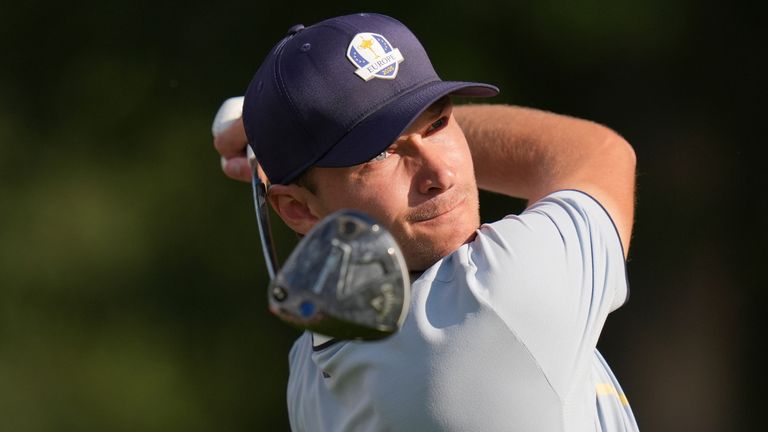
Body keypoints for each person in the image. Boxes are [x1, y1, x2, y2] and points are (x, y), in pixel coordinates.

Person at [213, 12, 639, 432]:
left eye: (438, 123)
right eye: (380, 153)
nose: (441, 174)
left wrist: (287, 138)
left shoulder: (307, 376)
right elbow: (597, 153)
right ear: (298, 209)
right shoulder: (495, 295)